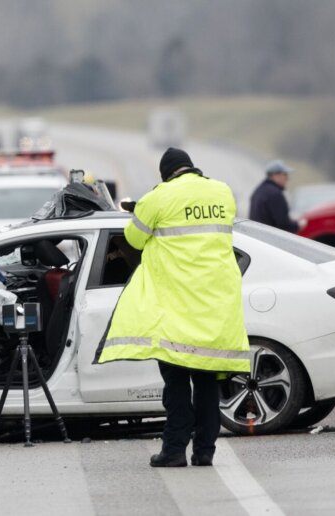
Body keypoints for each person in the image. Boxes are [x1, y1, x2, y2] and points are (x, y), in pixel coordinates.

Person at [93, 147, 250, 468]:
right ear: (191, 167)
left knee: (176, 386)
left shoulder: (159, 197)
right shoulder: (222, 192)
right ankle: (205, 451)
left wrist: (146, 213)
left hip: (176, 308)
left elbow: (133, 239)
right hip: (215, 304)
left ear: (166, 174)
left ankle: (174, 450)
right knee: (207, 384)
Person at [249, 159, 299, 232]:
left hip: (258, 235)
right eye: (285, 174)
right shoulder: (275, 194)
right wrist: (298, 225)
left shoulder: (259, 190)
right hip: (268, 238)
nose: (287, 178)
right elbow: (283, 225)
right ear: (275, 175)